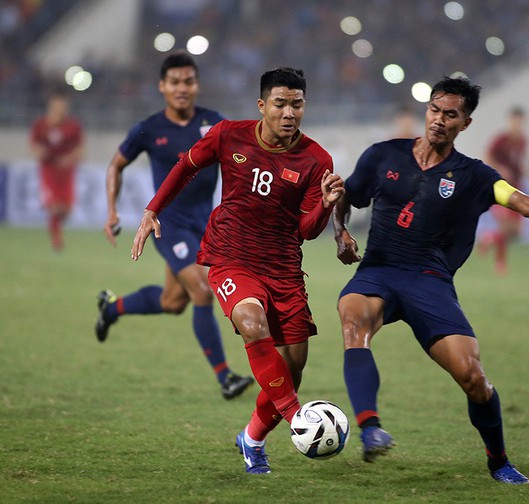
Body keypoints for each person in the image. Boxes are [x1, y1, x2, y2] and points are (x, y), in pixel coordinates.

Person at [333, 76, 529, 485]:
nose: (439, 120)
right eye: (434, 110)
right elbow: (345, 197)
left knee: (473, 378)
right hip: (379, 270)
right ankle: (371, 428)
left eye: (450, 114)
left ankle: (498, 461)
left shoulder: (475, 176)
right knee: (353, 319)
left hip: (430, 281)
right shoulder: (382, 156)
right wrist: (341, 234)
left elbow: (523, 203)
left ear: (466, 123)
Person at [131, 67, 345, 474]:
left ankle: (252, 438)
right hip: (231, 255)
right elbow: (184, 166)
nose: (289, 113)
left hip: (282, 266)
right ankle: (297, 416)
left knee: (291, 367)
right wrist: (152, 209)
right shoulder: (229, 134)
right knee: (251, 321)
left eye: (296, 105)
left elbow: (306, 230)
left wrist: (326, 203)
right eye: (280, 104)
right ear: (262, 105)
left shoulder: (317, 159)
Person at [95, 52, 254, 400]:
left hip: (204, 227)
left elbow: (247, 159)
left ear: (197, 85)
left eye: (189, 82)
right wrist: (111, 211)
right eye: (175, 82)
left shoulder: (215, 123)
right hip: (168, 226)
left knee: (173, 301)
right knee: (201, 291)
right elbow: (115, 166)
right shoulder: (149, 129)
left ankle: (111, 308)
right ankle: (226, 377)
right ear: (162, 86)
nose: (182, 89)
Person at [29, 90, 84, 252]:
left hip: (67, 171)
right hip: (48, 170)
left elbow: (80, 149)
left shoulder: (73, 125)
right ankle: (56, 239)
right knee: (54, 206)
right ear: (51, 105)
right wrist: (39, 151)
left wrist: (70, 158)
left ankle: (55, 228)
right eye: (58, 104)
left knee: (66, 210)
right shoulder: (41, 125)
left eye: (64, 105)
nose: (61, 108)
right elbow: (33, 146)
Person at [476, 106, 527, 274]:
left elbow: (517, 162)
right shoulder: (500, 140)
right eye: (514, 121)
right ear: (509, 121)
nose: (516, 125)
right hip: (500, 187)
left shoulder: (523, 141)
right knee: (505, 226)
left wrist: (522, 171)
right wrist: (500, 169)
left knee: (516, 232)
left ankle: (488, 238)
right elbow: (487, 157)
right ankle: (500, 263)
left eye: (519, 122)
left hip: (516, 188)